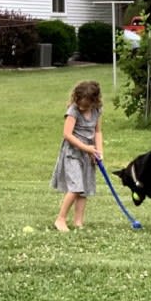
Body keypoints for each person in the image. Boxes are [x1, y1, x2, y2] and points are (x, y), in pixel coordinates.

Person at [50, 80, 104, 231]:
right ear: (76, 98)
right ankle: (60, 219)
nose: (82, 107)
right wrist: (86, 148)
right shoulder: (73, 111)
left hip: (88, 154)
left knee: (84, 188)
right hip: (72, 153)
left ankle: (78, 222)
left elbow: (98, 131)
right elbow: (67, 134)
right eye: (79, 103)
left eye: (86, 105)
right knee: (76, 187)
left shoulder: (97, 110)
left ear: (94, 101)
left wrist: (98, 151)